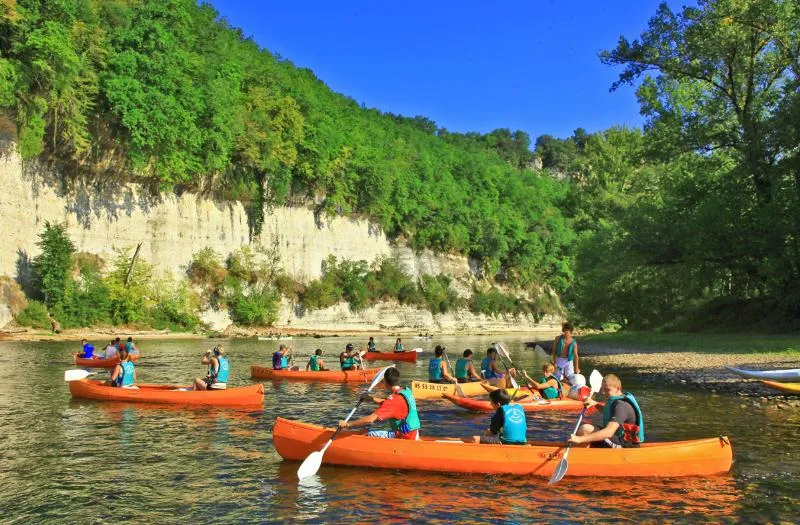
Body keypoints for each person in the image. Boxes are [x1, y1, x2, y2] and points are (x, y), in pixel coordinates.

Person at [338, 367, 420, 440]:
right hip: (414, 435)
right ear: (397, 379)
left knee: (366, 433)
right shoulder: (406, 392)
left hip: (404, 439)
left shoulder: (393, 401)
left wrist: (348, 424)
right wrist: (371, 398)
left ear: (385, 382)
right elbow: (391, 406)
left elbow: (370, 419)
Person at [568, 374, 644, 448]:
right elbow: (608, 411)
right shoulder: (616, 401)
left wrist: (580, 439)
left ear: (618, 388)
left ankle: (580, 455)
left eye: (607, 390)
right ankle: (581, 451)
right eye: (603, 389)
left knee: (585, 429)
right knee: (586, 430)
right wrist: (594, 403)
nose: (604, 393)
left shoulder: (621, 405)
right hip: (616, 439)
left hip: (625, 445)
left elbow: (609, 432)